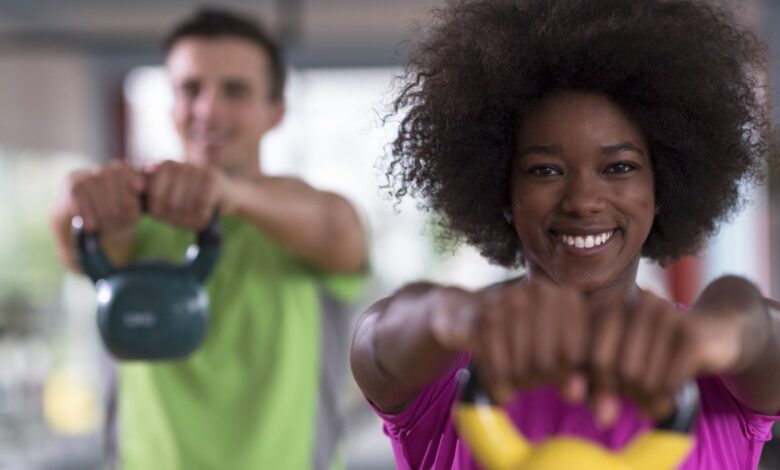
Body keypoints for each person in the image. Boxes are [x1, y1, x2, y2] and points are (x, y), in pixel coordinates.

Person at [350, 0, 780, 468]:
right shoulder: (449, 360)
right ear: (503, 193)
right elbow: (376, 343)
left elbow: (762, 332)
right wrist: (445, 315)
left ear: (662, 189)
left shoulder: (715, 371)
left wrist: (722, 327)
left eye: (619, 167)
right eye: (546, 170)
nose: (582, 201)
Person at [51, 8, 367, 469]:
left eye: (234, 90)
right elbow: (70, 235)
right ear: (172, 104)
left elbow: (339, 228)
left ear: (274, 112)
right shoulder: (135, 219)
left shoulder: (303, 216)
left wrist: (230, 195)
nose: (207, 109)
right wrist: (73, 196)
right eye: (190, 89)